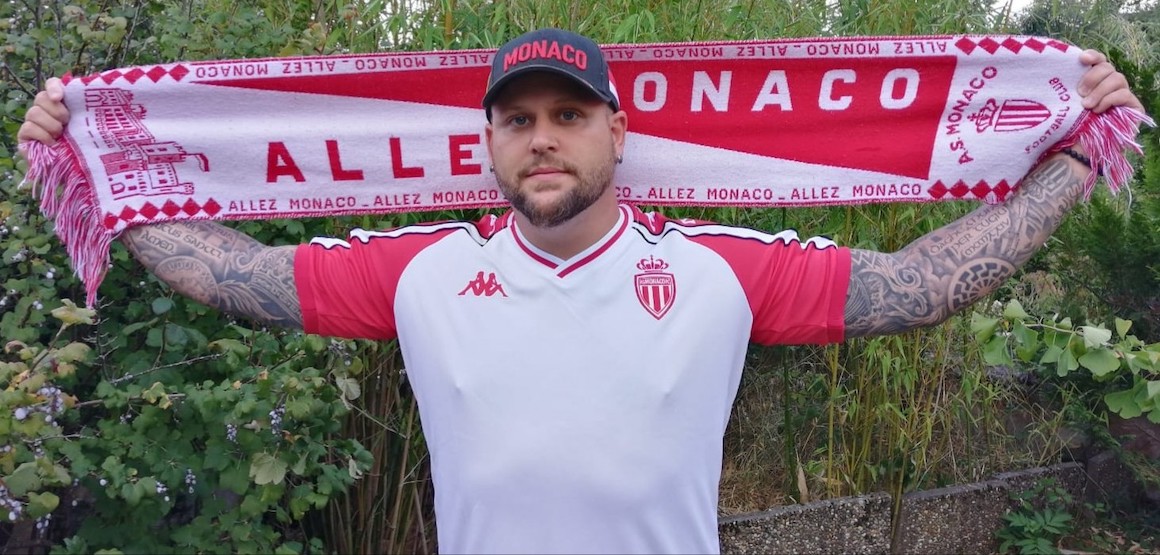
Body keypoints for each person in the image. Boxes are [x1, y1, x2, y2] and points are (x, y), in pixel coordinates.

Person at [18, 27, 1145, 554]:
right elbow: (243, 278)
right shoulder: (421, 269)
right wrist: (98, 171)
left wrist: (1073, 155)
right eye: (517, 120)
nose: (542, 139)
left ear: (617, 129)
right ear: (489, 143)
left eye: (568, 115)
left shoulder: (719, 265)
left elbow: (912, 286)